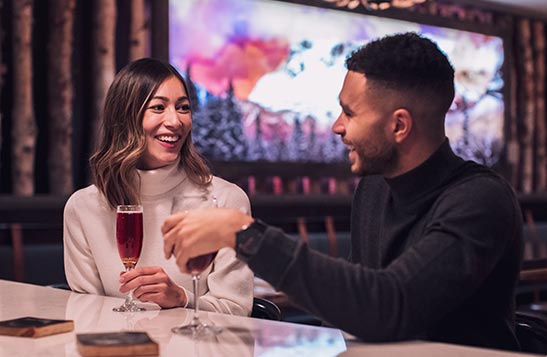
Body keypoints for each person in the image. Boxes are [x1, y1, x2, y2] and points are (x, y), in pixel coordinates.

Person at [162, 32, 523, 350]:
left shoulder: (480, 200)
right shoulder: (374, 189)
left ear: (399, 125)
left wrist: (243, 234)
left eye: (349, 113)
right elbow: (352, 303)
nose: (337, 126)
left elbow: (389, 306)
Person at [63, 58, 253, 316]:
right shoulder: (83, 207)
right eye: (158, 107)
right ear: (126, 116)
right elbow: (86, 312)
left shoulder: (226, 200)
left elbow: (236, 309)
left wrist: (180, 298)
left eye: (183, 107)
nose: (175, 121)